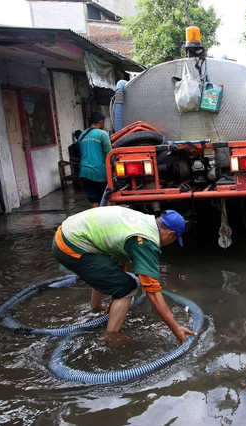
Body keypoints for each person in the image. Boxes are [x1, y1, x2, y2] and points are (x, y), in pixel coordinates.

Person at [52, 206, 196, 343]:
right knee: (127, 287)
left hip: (66, 232)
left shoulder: (144, 220)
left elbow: (115, 262)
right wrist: (176, 329)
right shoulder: (145, 240)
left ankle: (96, 308)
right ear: (170, 234)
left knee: (114, 278)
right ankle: (110, 337)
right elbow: (152, 291)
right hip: (70, 245)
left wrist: (115, 298)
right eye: (174, 240)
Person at [79, 111, 111, 207]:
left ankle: (96, 221)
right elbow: (109, 154)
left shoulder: (82, 135)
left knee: (94, 200)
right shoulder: (102, 134)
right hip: (99, 172)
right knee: (108, 197)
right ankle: (108, 220)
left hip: (84, 173)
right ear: (101, 122)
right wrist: (113, 168)